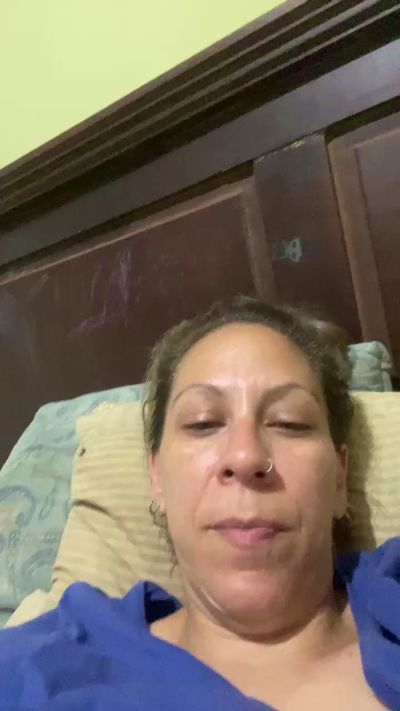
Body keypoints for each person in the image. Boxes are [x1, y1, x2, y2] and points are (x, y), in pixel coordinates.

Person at [0, 296, 399, 710]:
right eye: (203, 423)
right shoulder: (41, 668)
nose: (245, 457)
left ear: (339, 477)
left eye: (289, 422)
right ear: (157, 476)